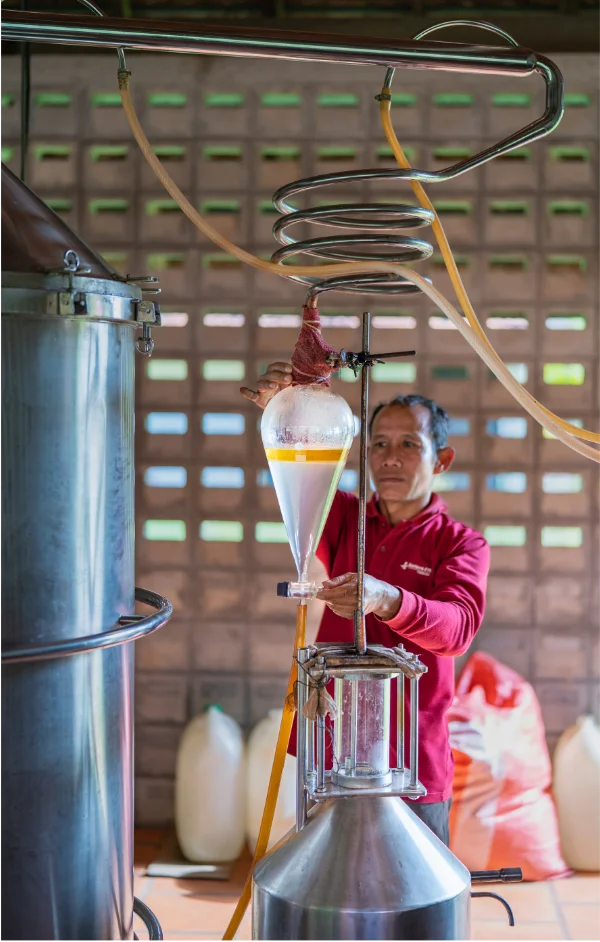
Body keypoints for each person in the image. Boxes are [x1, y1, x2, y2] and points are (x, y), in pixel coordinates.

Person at [241, 362, 490, 846]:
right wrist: (291, 412)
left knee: (412, 904)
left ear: (442, 460)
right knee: (329, 898)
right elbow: (302, 471)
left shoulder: (461, 545)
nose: (390, 458)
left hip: (411, 761)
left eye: (409, 444)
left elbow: (456, 629)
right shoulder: (344, 518)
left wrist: (387, 598)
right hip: (332, 752)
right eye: (379, 443)